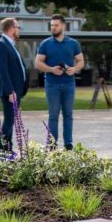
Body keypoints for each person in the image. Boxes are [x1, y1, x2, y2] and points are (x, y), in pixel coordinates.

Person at [35, 14, 84, 150]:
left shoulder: (73, 43)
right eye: (51, 25)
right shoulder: (45, 44)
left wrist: (74, 69)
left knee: (68, 115)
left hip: (69, 84)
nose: (53, 28)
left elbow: (81, 61)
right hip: (52, 85)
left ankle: (68, 144)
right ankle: (52, 144)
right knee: (53, 115)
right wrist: (51, 69)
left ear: (63, 26)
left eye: (56, 25)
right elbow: (38, 63)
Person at [0, 17, 29, 151]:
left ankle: (7, 149)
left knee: (11, 121)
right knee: (9, 121)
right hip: (10, 92)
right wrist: (10, 91)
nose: (18, 30)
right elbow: (2, 70)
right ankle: (1, 150)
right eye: (17, 27)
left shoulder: (10, 44)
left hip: (15, 90)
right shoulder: (1, 44)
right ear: (10, 28)